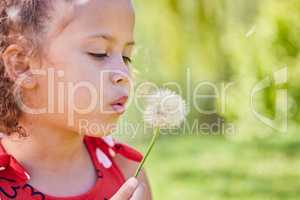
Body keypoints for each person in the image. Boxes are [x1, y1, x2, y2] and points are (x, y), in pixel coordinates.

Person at [0, 0, 151, 199]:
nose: (123, 73)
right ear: (22, 65)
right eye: (98, 52)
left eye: (126, 57)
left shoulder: (129, 173)